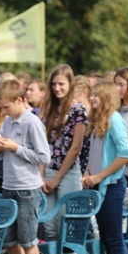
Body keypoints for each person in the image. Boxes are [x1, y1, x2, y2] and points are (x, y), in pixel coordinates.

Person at [0, 80, 50, 254]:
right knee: (9, 241)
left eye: (6, 107)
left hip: (27, 188)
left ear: (19, 100)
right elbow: (8, 150)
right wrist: (0, 146)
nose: (4, 111)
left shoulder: (32, 122)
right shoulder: (8, 121)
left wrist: (14, 148)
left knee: (28, 241)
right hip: (8, 185)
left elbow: (44, 157)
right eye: (1, 108)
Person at [82, 81, 128, 254]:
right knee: (105, 237)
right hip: (98, 185)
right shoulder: (97, 120)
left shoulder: (114, 119)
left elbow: (125, 154)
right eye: (91, 94)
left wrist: (100, 175)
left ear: (106, 97)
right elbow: (93, 153)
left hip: (112, 186)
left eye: (96, 95)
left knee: (114, 238)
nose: (92, 98)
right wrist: (87, 173)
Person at [40, 64, 87, 242]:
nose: (57, 88)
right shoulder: (49, 108)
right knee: (49, 227)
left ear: (70, 84)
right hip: (48, 170)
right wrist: (41, 176)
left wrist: (57, 178)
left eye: (61, 84)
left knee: (66, 227)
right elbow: (42, 144)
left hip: (67, 173)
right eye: (54, 84)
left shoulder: (78, 110)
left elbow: (76, 148)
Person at [113, 66, 128, 183]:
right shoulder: (115, 110)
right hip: (116, 173)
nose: (117, 88)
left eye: (121, 84)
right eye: (115, 84)